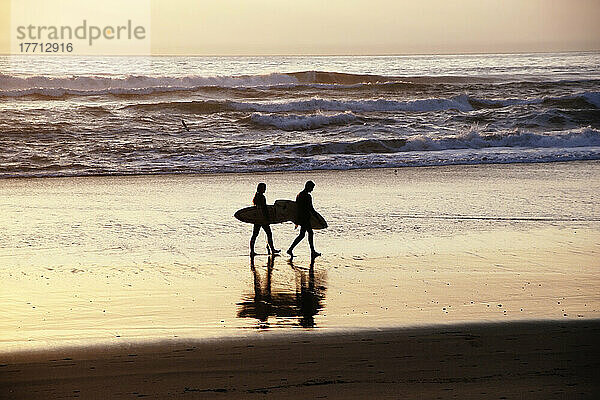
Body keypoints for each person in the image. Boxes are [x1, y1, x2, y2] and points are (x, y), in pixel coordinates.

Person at [287, 180, 321, 258]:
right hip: (305, 218)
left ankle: (290, 249)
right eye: (312, 188)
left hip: (300, 217)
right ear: (308, 186)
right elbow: (311, 209)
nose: (312, 189)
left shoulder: (299, 194)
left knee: (302, 235)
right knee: (309, 233)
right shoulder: (307, 196)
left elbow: (296, 208)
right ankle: (312, 251)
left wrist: (296, 220)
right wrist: (318, 218)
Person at [250, 183, 280, 257]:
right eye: (264, 188)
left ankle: (252, 251)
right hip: (262, 219)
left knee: (255, 235)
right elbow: (264, 209)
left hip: (257, 219)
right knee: (269, 234)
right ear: (261, 188)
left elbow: (257, 209)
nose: (265, 189)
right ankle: (272, 249)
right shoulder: (261, 197)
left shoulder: (256, 196)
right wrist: (268, 218)